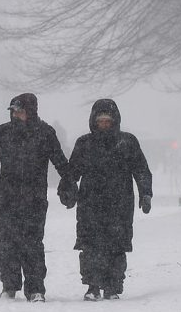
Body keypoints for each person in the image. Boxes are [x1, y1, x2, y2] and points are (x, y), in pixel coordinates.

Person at [60, 98, 152, 301]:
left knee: (116, 245)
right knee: (90, 246)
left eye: (107, 120)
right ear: (94, 121)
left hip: (120, 204)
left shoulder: (127, 142)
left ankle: (112, 285)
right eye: (100, 120)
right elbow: (72, 171)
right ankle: (92, 285)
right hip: (90, 203)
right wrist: (67, 191)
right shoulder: (84, 143)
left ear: (114, 121)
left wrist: (146, 193)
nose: (103, 124)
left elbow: (141, 169)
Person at [0, 93, 70, 302]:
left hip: (35, 199)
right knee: (8, 243)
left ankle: (35, 288)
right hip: (8, 199)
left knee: (33, 243)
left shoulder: (45, 133)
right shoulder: (3, 133)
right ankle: (9, 286)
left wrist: (68, 184)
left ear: (31, 111)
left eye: (20, 111)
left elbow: (60, 161)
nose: (16, 115)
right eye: (14, 111)